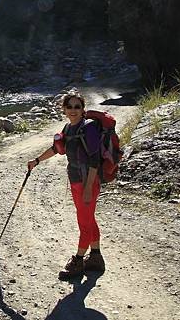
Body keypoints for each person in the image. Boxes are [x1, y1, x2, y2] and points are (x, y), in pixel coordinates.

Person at [27, 90, 105, 280]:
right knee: (88, 219)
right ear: (63, 109)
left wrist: (87, 188)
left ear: (83, 109)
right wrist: (36, 161)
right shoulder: (68, 128)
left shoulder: (89, 128)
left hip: (88, 181)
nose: (73, 110)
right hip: (76, 180)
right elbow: (56, 148)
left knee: (83, 222)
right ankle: (95, 257)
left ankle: (78, 261)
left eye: (77, 107)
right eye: (69, 106)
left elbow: (95, 160)